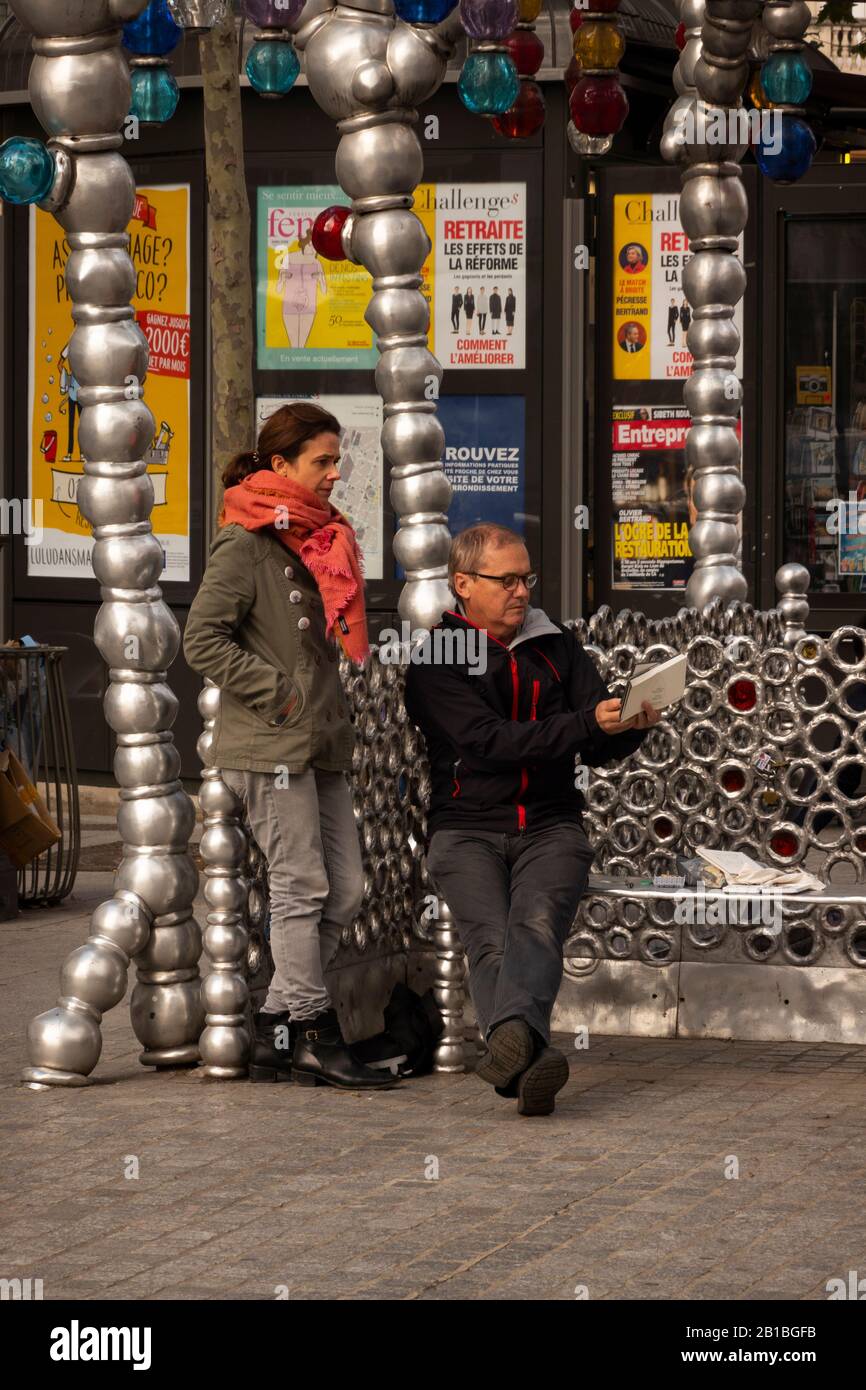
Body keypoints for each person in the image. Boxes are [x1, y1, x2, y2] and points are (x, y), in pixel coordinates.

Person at [404, 524, 660, 1116]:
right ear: (463, 584)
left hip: (551, 824)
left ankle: (513, 1051)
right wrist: (587, 723)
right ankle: (530, 1059)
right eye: (507, 580)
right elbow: (488, 743)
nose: (521, 591)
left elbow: (594, 744)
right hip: (465, 827)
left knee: (536, 928)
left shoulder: (557, 645)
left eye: (527, 579)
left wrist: (630, 726)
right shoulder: (436, 658)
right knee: (491, 941)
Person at [183, 402, 396, 1092]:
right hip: (270, 743)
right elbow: (200, 639)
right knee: (301, 887)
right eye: (321, 461)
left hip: (319, 742)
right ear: (281, 465)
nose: (335, 474)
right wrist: (280, 694)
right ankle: (312, 1032)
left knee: (347, 889)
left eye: (338, 461)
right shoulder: (246, 542)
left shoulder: (318, 537)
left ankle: (275, 1026)